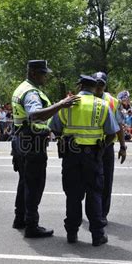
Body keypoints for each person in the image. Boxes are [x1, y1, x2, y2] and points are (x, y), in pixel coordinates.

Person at [11, 60, 79, 238]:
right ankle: (31, 225)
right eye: (43, 73)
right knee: (34, 185)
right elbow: (35, 115)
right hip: (32, 142)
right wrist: (61, 104)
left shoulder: (22, 87)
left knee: (24, 182)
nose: (46, 77)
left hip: (21, 140)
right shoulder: (31, 93)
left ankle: (20, 218)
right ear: (34, 73)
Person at [50, 75, 119, 246]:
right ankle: (97, 235)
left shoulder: (68, 103)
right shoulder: (102, 105)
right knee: (94, 194)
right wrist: (102, 147)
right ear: (95, 88)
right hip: (94, 156)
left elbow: (54, 127)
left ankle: (72, 234)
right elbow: (112, 133)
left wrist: (63, 140)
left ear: (80, 86)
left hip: (71, 155)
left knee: (73, 195)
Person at [92, 72, 127, 225]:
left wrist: (123, 146)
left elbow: (119, 125)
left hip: (106, 147)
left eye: (102, 84)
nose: (99, 87)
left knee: (106, 182)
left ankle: (102, 214)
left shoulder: (113, 102)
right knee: (89, 181)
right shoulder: (84, 98)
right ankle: (91, 211)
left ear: (105, 85)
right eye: (96, 84)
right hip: (89, 147)